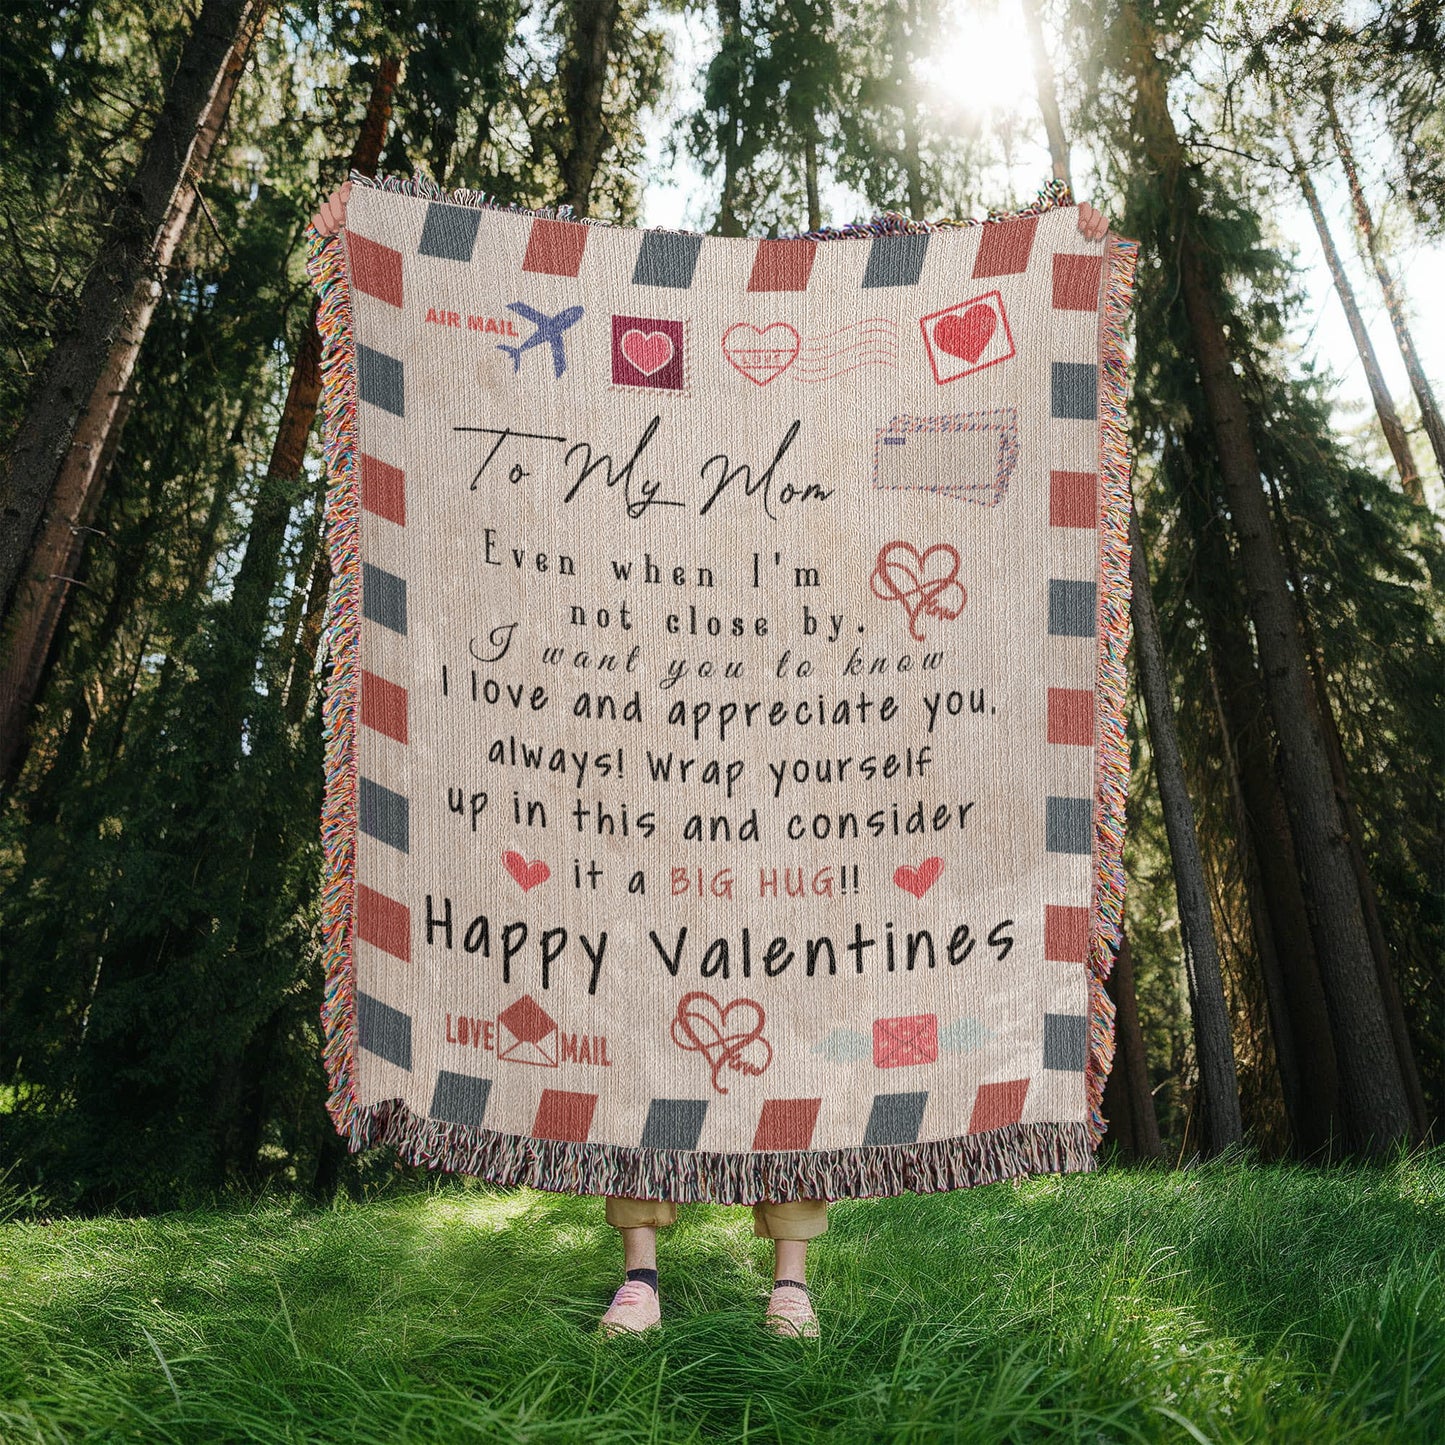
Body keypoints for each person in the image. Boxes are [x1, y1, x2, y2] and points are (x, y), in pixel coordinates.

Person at [310, 181, 1110, 1340]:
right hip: (653, 776)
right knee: (630, 1012)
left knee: (811, 1001)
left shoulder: (838, 361)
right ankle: (637, 1267)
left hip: (795, 775)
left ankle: (791, 1275)